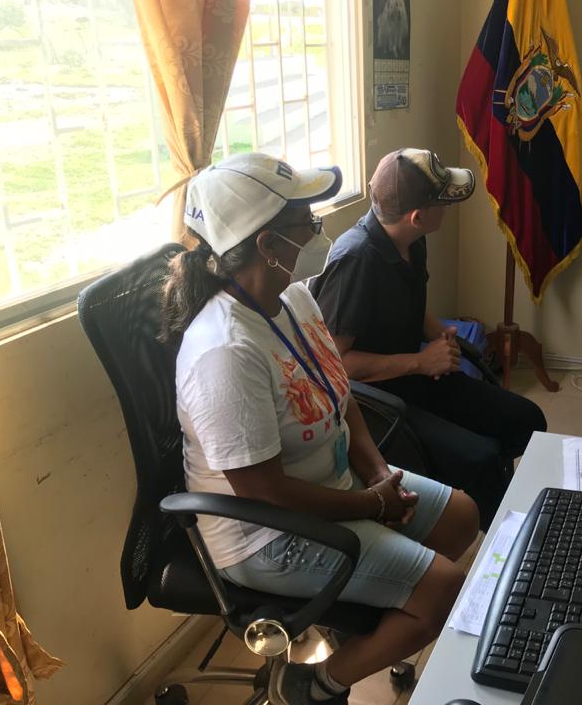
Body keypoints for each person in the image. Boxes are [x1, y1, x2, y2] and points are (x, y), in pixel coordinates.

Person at [162, 152, 479, 705]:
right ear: (267, 244)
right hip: (266, 532)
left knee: (461, 517)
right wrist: (373, 505)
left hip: (330, 485)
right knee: (445, 589)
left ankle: (368, 616)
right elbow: (264, 492)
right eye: (306, 221)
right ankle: (315, 684)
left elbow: (338, 391)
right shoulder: (225, 352)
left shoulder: (293, 297)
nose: (319, 230)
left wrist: (377, 474)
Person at [311, 148, 547, 529]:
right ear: (417, 217)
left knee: (529, 420)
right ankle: (505, 534)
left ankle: (495, 496)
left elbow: (410, 301)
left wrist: (437, 332)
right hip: (375, 402)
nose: (448, 209)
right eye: (443, 202)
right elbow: (335, 364)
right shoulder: (355, 260)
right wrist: (420, 361)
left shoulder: (412, 240)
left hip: (415, 376)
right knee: (481, 460)